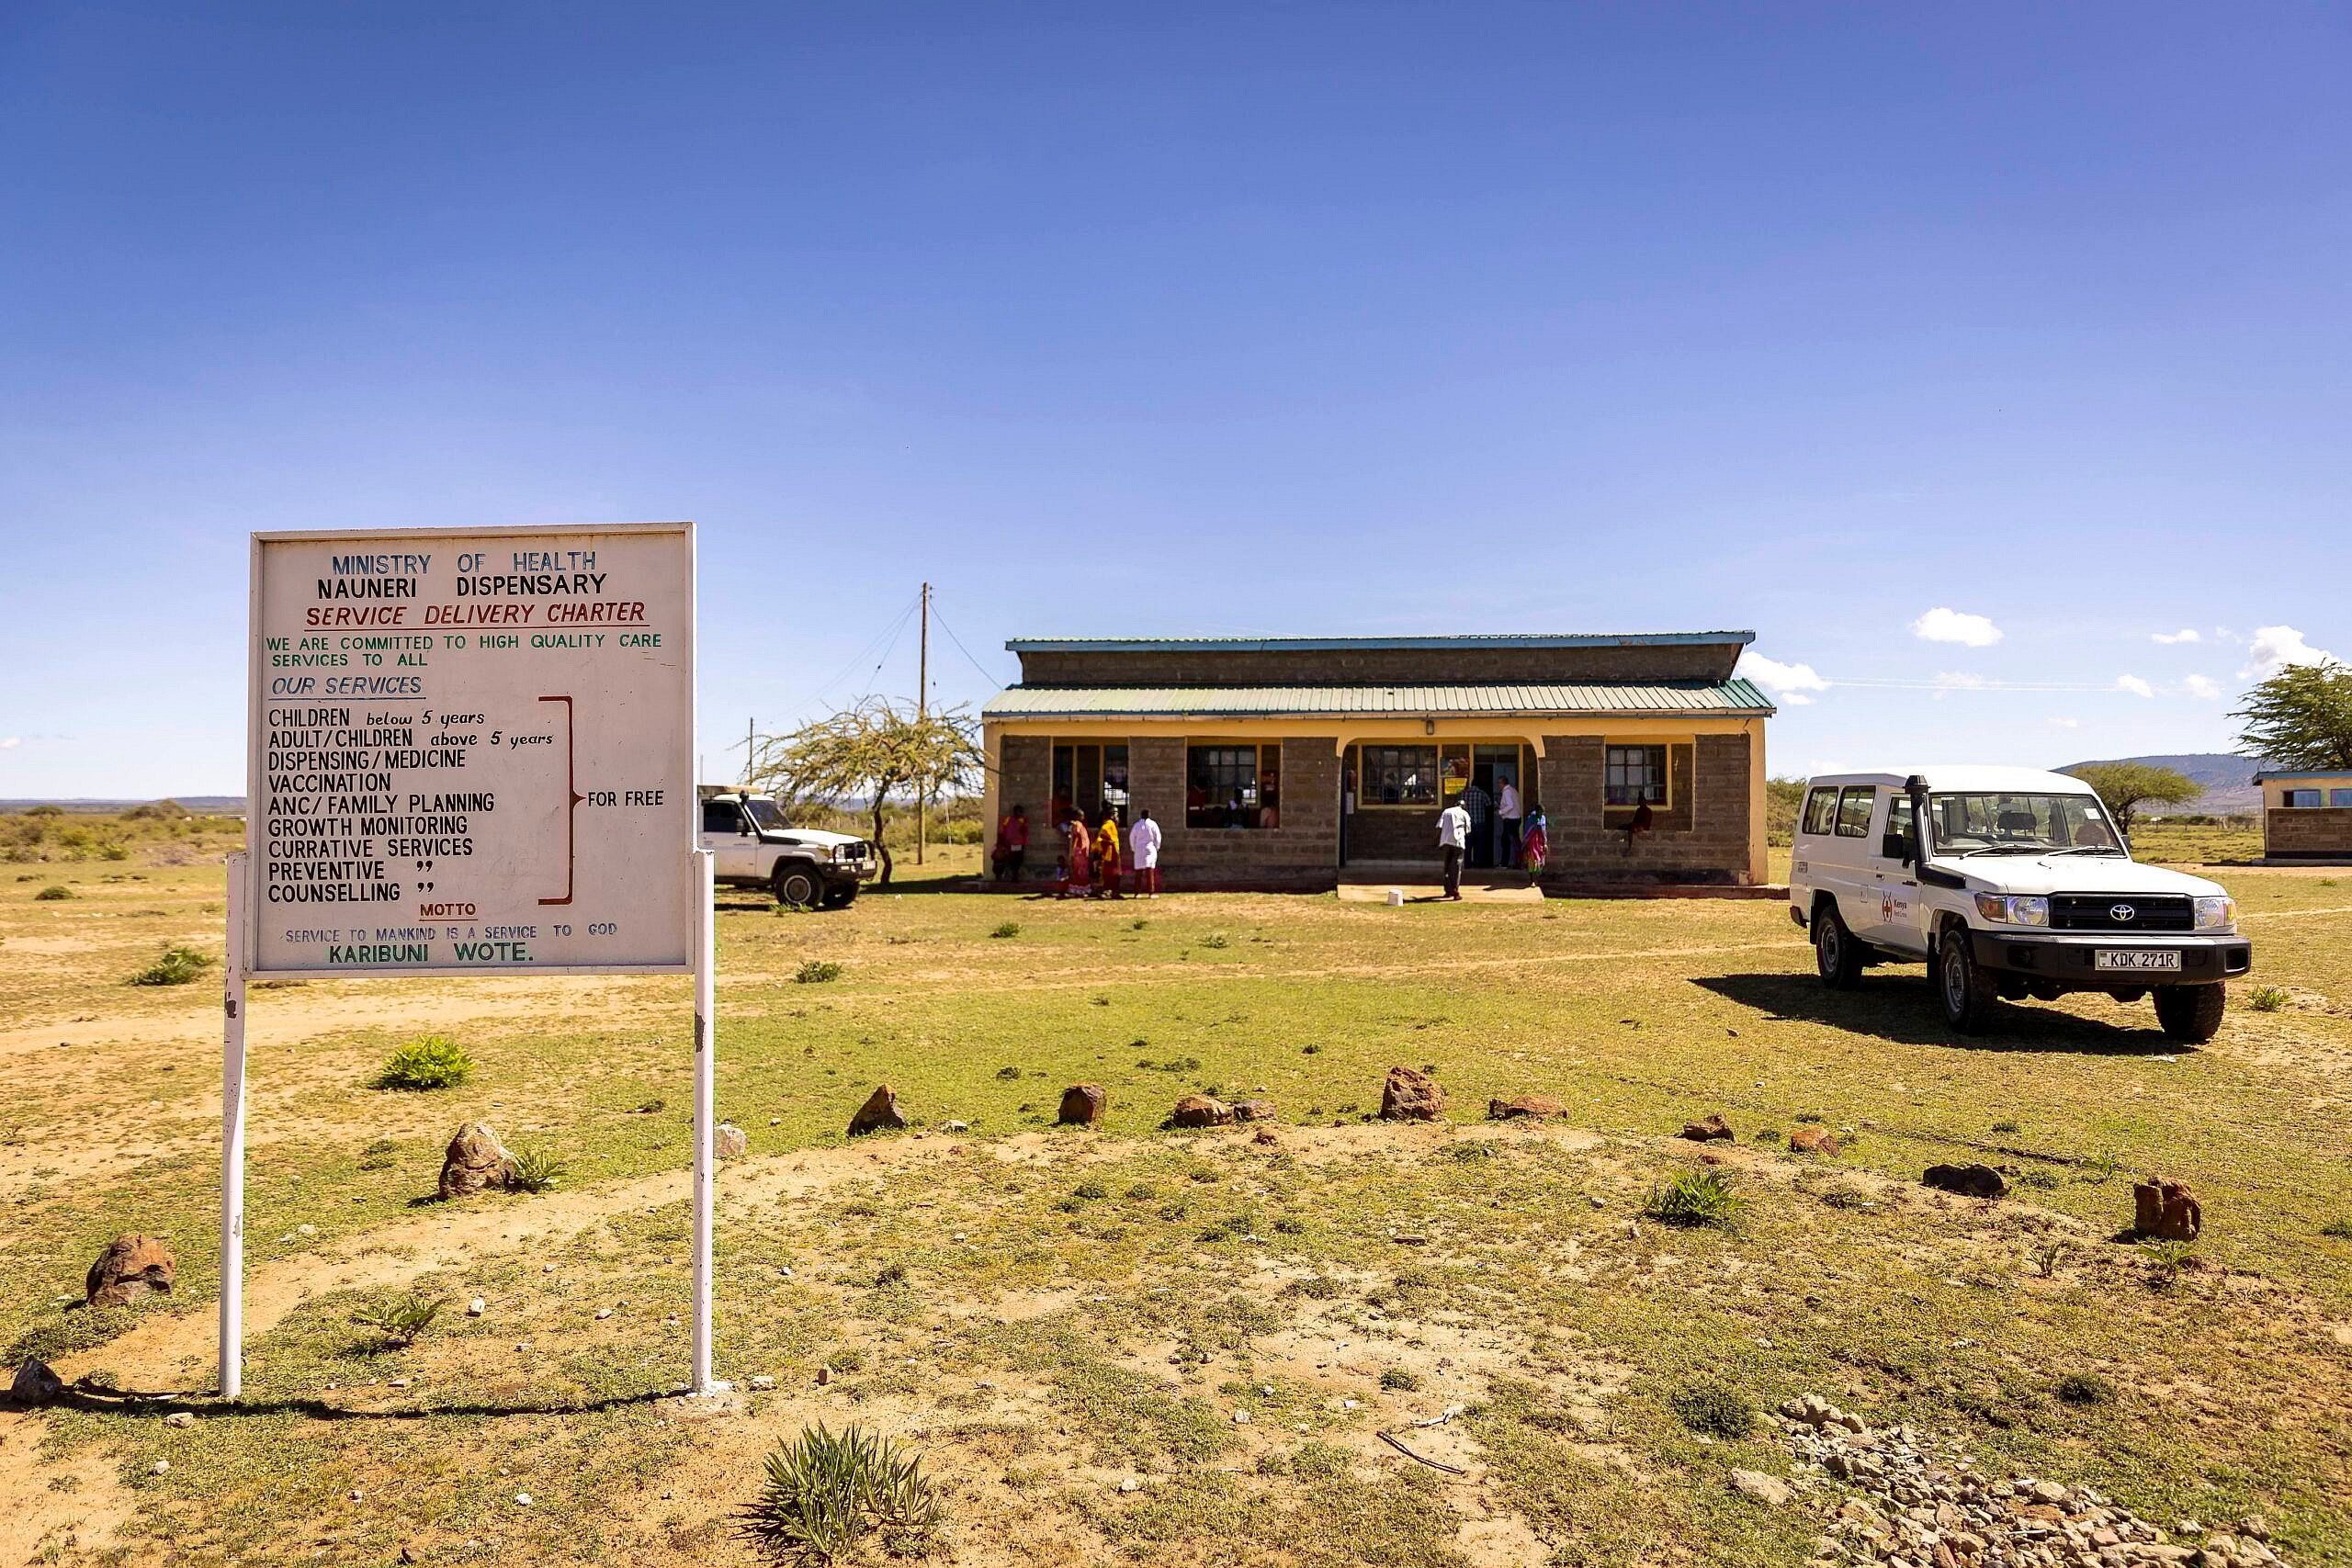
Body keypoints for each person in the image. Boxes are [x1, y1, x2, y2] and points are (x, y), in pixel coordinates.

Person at [1437, 793, 1471, 900]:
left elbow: (1439, 826)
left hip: (1446, 841)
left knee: (1446, 867)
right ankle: (1455, 892)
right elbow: (1468, 830)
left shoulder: (1446, 811)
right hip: (1458, 842)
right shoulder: (1465, 814)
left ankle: (1447, 890)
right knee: (1456, 867)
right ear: (1464, 806)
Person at [1129, 807, 1163, 897]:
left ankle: (1137, 893)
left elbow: (1132, 837)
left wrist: (1134, 848)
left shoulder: (1137, 825)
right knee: (1150, 871)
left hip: (1139, 849)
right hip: (1150, 849)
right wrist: (1156, 847)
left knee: (1138, 872)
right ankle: (1151, 892)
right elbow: (1158, 837)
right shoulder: (1153, 824)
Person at [1459, 777, 1493, 868]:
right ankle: (1478, 862)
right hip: (1480, 822)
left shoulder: (1464, 794)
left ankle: (1467, 864)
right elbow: (1489, 804)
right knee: (1480, 843)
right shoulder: (1482, 793)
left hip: (1467, 823)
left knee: (1468, 844)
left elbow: (1460, 806)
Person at [995, 803, 1030, 882]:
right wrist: (1001, 841)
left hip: (1019, 843)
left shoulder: (1023, 820)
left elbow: (1025, 831)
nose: (1018, 813)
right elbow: (1002, 830)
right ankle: (1006, 875)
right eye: (1017, 811)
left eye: (1020, 812)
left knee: (1018, 859)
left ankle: (1015, 874)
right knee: (1010, 859)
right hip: (1009, 843)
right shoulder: (1007, 819)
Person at [1092, 810, 1123, 898]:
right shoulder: (1108, 825)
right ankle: (1108, 891)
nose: (1118, 819)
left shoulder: (1112, 826)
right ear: (1111, 816)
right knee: (1110, 873)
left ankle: (1113, 891)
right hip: (1109, 853)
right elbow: (1100, 839)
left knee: (1114, 873)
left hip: (1113, 852)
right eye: (1116, 816)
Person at [1059, 812, 1090, 898]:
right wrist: (1074, 850)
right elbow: (1075, 837)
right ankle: (1078, 890)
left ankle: (1081, 890)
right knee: (1079, 872)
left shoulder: (1080, 825)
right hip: (1079, 852)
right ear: (1077, 816)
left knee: (1081, 872)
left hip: (1082, 851)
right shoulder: (1077, 825)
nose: (1083, 817)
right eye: (1081, 815)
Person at [1497, 776, 1521, 868]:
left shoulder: (1506, 792)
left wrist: (1501, 812)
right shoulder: (1513, 790)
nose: (1498, 785)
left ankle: (1504, 863)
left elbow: (1510, 805)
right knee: (1516, 841)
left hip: (1510, 819)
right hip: (1516, 818)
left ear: (1503, 783)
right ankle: (1519, 862)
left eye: (1499, 783)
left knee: (1506, 841)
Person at [1520, 804, 1548, 885]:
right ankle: (1532, 880)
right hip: (1532, 842)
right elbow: (1527, 831)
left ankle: (1536, 878)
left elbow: (1544, 831)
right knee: (1532, 860)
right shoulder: (1531, 818)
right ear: (1536, 812)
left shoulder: (1543, 818)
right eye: (1540, 812)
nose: (1541, 814)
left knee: (1540, 860)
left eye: (1543, 812)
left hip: (1540, 842)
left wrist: (1545, 843)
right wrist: (1526, 844)